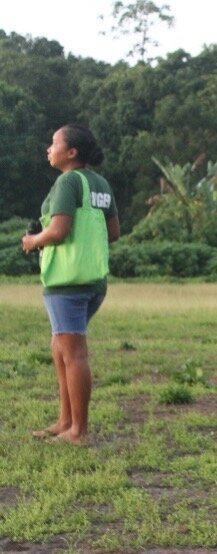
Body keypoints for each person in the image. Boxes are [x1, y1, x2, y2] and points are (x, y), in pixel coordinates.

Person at [22, 124, 120, 445]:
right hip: (94, 281)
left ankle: (78, 431)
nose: (49, 149)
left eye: (54, 143)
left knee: (74, 354)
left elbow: (59, 231)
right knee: (61, 348)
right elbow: (114, 232)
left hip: (67, 281)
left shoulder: (67, 182)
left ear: (72, 152)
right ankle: (66, 420)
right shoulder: (100, 183)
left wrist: (33, 240)